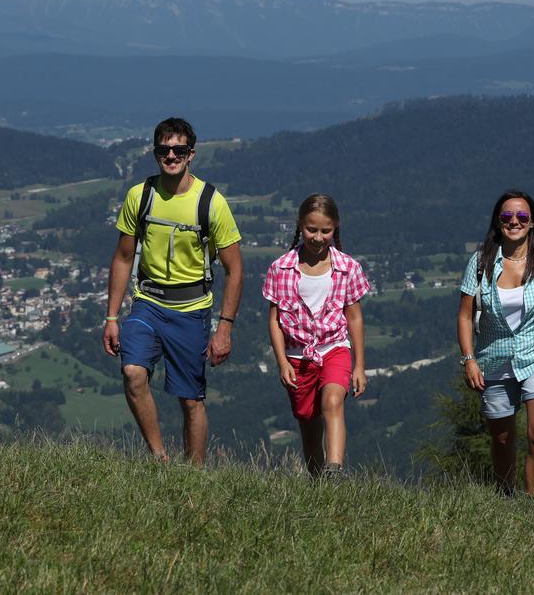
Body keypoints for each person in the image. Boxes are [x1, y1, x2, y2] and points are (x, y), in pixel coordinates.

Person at [103, 117, 243, 465]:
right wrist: (111, 317)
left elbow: (235, 268)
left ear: (191, 154)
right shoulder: (140, 196)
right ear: (155, 153)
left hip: (192, 310)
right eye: (164, 149)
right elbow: (123, 257)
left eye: (179, 149)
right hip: (147, 303)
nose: (171, 155)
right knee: (133, 373)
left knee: (191, 400)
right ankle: (159, 460)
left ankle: (192, 478)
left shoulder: (211, 202)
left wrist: (224, 327)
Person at [456, 190, 534, 495]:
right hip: (493, 358)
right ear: (498, 222)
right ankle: (506, 498)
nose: (514, 222)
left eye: (522, 216)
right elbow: (464, 315)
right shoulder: (480, 262)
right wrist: (469, 359)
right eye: (507, 217)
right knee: (502, 439)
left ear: (533, 222)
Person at [263, 194, 369, 478]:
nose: (318, 238)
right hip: (298, 356)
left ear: (335, 228)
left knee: (332, 401)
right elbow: (274, 321)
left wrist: (359, 365)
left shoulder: (348, 267)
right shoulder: (280, 268)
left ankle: (334, 471)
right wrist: (282, 362)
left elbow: (354, 317)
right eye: (312, 229)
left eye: (326, 231)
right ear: (300, 226)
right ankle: (318, 480)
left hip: (335, 347)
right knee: (309, 427)